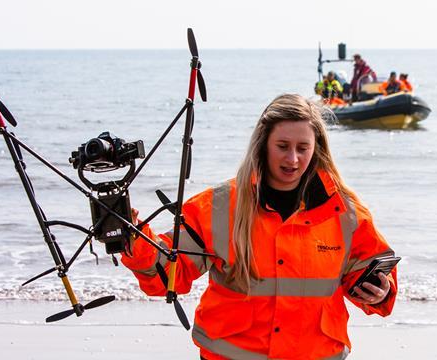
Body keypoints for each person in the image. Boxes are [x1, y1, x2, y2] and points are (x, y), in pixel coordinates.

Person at [122, 94, 397, 360]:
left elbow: (374, 268)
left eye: (303, 148)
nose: (292, 159)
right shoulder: (218, 207)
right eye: (282, 146)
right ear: (263, 144)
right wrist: (133, 237)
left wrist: (380, 292)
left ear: (317, 148)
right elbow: (169, 276)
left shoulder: (343, 211)